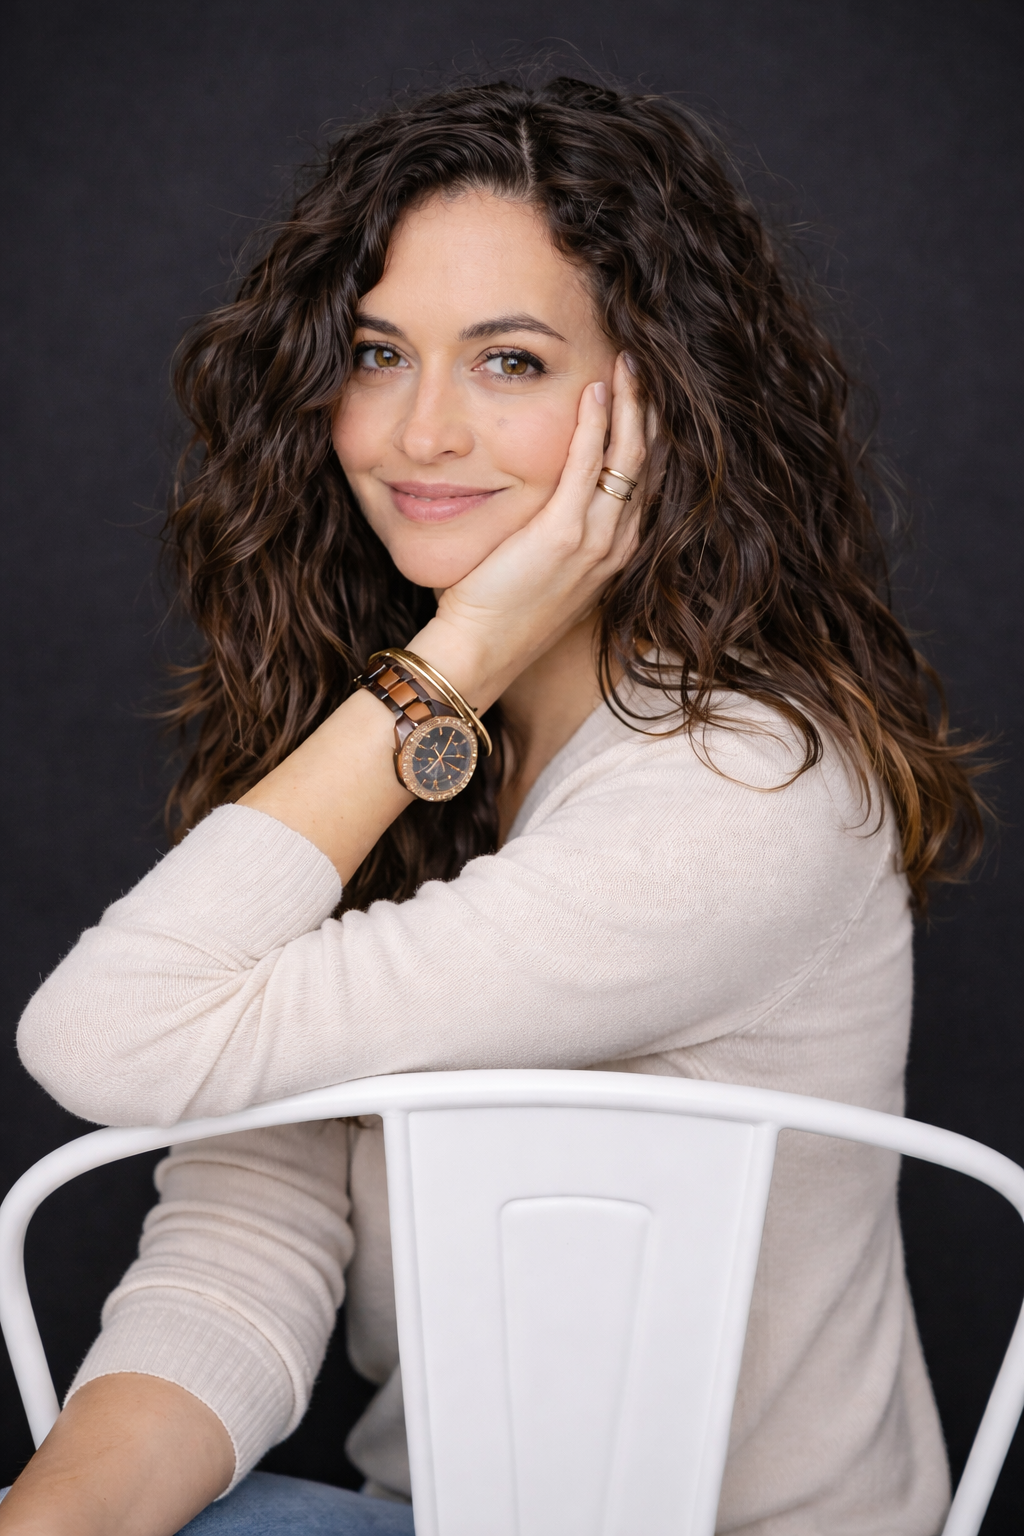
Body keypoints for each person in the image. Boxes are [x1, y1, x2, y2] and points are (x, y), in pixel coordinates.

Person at [1, 76, 983, 1536]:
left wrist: (449, 656)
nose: (416, 433)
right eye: (377, 352)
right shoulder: (374, 757)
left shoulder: (744, 791)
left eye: (510, 362)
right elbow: (246, 1232)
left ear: (661, 398)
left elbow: (103, 1036)